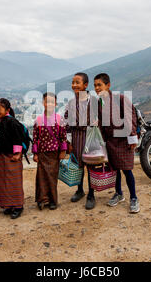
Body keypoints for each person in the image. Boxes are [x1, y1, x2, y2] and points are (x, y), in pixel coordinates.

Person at [94, 73, 140, 213]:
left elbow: (130, 119)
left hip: (124, 140)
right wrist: (102, 141)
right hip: (110, 142)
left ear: (108, 85)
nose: (96, 88)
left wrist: (132, 138)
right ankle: (119, 193)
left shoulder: (120, 99)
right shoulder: (99, 102)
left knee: (127, 170)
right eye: (95, 86)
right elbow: (101, 122)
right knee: (115, 170)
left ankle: (133, 197)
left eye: (99, 85)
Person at [64, 72, 99, 210]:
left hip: (90, 136)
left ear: (85, 85)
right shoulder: (71, 103)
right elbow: (66, 121)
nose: (74, 85)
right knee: (78, 165)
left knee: (90, 166)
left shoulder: (93, 101)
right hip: (77, 136)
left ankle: (91, 194)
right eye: (73, 82)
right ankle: (80, 190)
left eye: (77, 82)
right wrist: (69, 141)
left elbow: (99, 120)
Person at [32, 92, 67, 210]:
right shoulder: (38, 120)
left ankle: (52, 200)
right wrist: (35, 153)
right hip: (42, 153)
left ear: (56, 103)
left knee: (52, 177)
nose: (50, 104)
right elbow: (35, 138)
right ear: (43, 103)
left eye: (52, 101)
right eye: (47, 101)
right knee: (41, 177)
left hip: (54, 154)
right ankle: (42, 200)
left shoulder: (59, 119)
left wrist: (63, 151)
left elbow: (63, 137)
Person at [0, 98, 25, 219]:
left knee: (14, 182)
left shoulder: (12, 122)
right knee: (4, 182)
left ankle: (18, 206)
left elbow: (17, 137)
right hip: (1, 156)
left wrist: (17, 153)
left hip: (12, 156)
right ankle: (8, 205)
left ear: (7, 110)